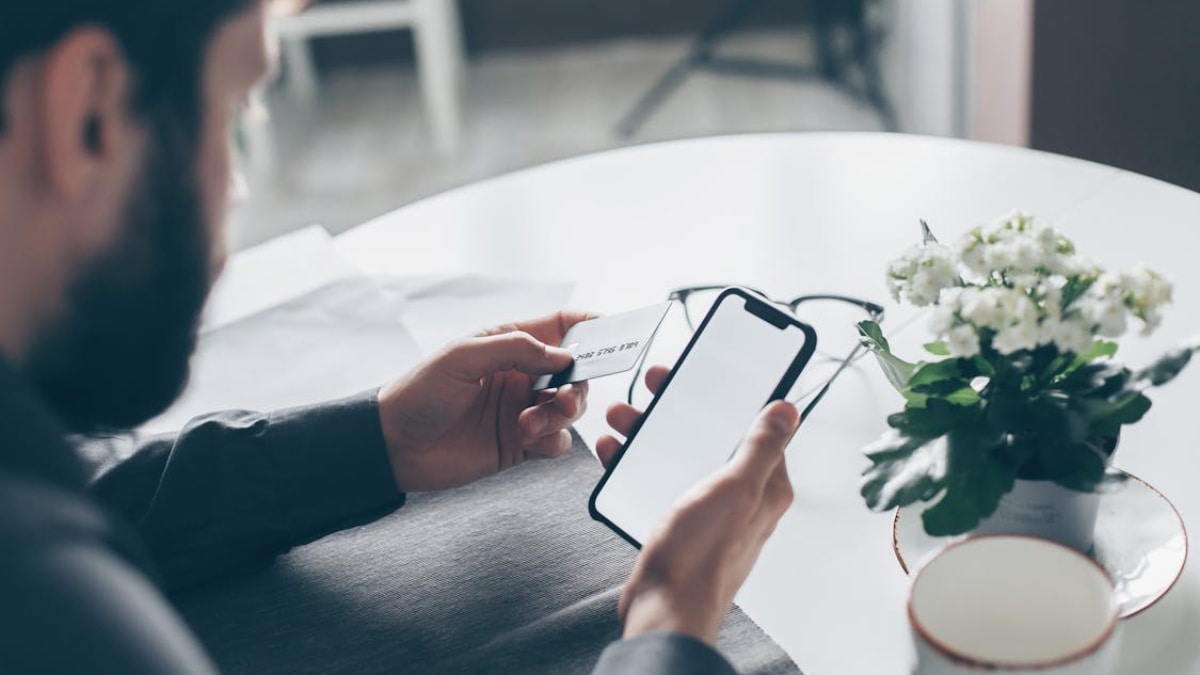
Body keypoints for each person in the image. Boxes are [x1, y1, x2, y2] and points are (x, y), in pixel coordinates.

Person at [0, 1, 798, 673]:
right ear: (89, 109)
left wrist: (373, 440)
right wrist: (670, 627)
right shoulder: (56, 602)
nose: (234, 195)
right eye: (236, 111)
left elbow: (104, 498)